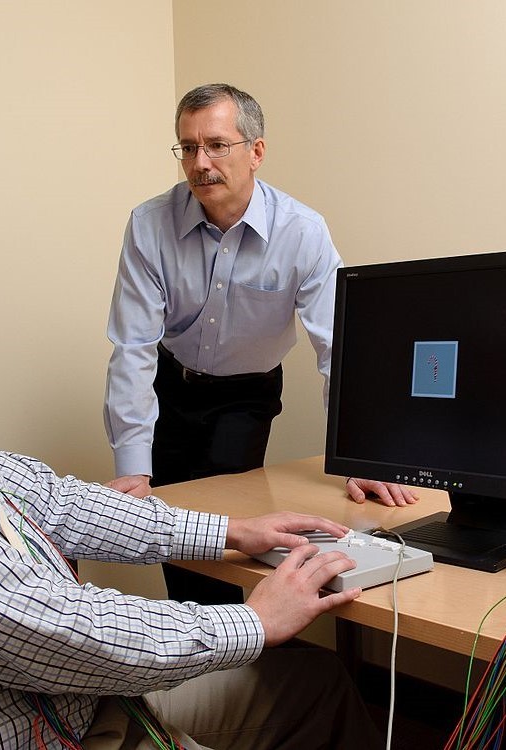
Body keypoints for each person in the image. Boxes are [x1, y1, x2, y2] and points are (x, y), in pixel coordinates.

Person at [0, 138, 383, 749]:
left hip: (72, 701)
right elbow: (34, 627)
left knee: (319, 683)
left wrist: (227, 531)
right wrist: (251, 623)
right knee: (299, 677)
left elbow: (46, 499)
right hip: (53, 726)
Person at [103, 83, 417, 604]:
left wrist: (364, 457)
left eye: (216, 145)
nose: (200, 162)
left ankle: (233, 639)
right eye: (188, 147)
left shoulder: (303, 233)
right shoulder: (148, 225)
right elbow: (133, 346)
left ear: (257, 151)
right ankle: (187, 653)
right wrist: (132, 468)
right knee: (166, 527)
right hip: (170, 385)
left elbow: (338, 349)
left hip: (244, 396)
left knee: (228, 528)